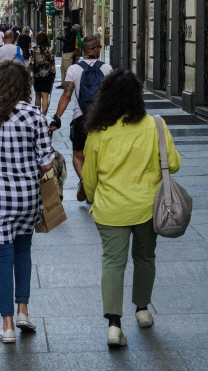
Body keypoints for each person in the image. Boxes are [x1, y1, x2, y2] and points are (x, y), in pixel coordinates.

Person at [82, 70, 180, 346]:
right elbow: (173, 164)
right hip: (147, 207)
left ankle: (114, 325)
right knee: (145, 258)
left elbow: (89, 178)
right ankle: (143, 309)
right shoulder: (154, 125)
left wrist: (92, 197)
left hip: (111, 208)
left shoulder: (99, 131)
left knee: (113, 262)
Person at [0, 60, 54, 344]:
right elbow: (46, 161)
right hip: (27, 197)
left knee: (3, 258)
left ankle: (8, 325)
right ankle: (24, 310)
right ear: (24, 86)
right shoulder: (33, 114)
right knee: (24, 251)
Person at [49, 36, 113, 201]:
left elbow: (66, 95)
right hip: (103, 118)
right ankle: (99, 185)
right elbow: (113, 95)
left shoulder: (74, 69)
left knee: (78, 154)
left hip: (81, 117)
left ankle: (85, 181)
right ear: (96, 49)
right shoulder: (107, 69)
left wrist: (57, 117)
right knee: (104, 153)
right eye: (99, 46)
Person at [28, 32, 56, 115]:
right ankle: (44, 116)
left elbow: (31, 63)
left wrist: (29, 74)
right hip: (48, 75)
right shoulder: (50, 50)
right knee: (45, 96)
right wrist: (53, 75)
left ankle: (37, 115)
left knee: (37, 96)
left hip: (37, 75)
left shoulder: (33, 50)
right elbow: (52, 64)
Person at [56, 18, 77, 88]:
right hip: (65, 51)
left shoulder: (72, 31)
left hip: (68, 52)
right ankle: (63, 83)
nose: (64, 25)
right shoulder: (67, 31)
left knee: (68, 69)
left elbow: (70, 41)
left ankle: (69, 84)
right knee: (63, 68)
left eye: (65, 24)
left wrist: (62, 39)